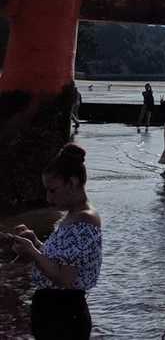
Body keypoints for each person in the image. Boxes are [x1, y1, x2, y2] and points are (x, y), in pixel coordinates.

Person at [9, 143, 102, 340]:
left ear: (73, 182)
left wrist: (33, 251)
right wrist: (34, 242)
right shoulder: (73, 217)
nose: (49, 198)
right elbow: (61, 263)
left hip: (64, 315)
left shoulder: (84, 220)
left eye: (53, 190)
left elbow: (65, 279)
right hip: (56, 311)